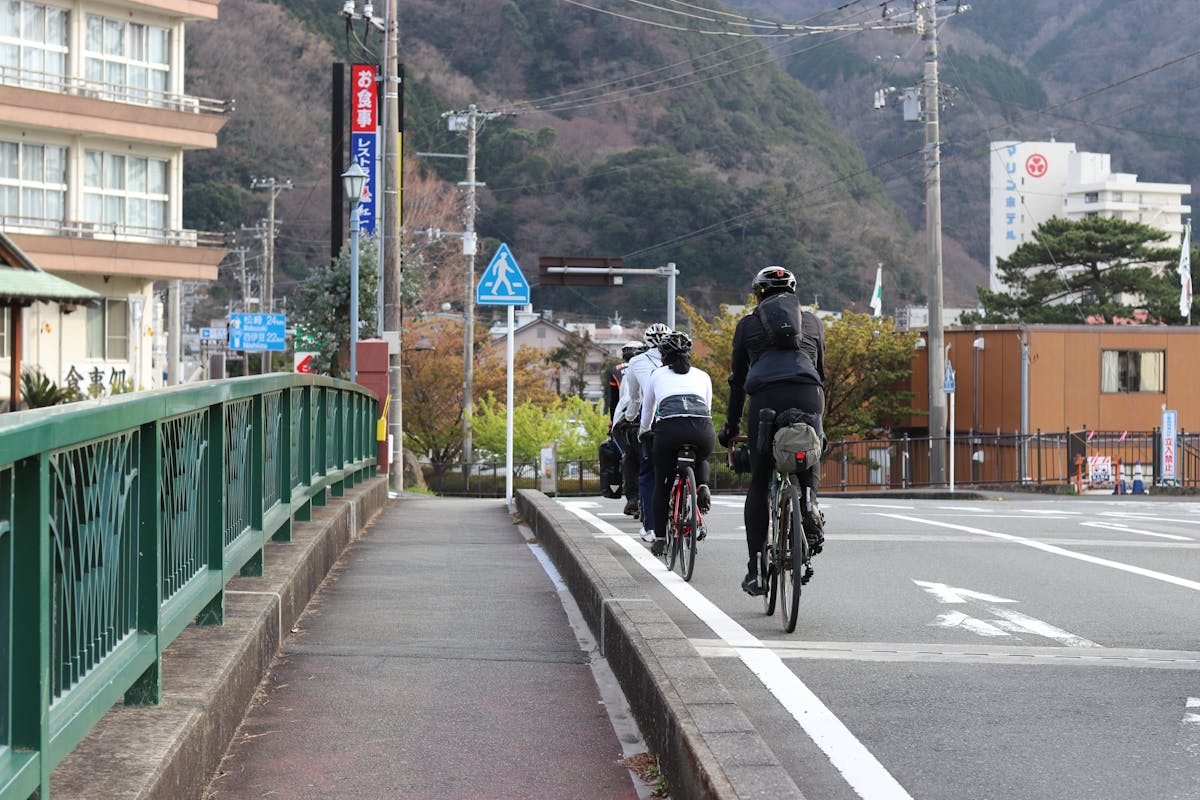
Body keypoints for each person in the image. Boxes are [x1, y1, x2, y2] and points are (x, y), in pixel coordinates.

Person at [719, 266, 826, 596]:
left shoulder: (748, 325)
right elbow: (820, 372)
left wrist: (731, 426)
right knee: (809, 452)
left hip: (766, 399)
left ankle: (756, 571)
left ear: (757, 296)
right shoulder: (813, 323)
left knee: (761, 479)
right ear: (795, 293)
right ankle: (808, 501)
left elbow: (737, 383)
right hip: (809, 394)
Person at [640, 331, 715, 556]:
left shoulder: (657, 374)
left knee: (661, 485)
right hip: (702, 430)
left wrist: (644, 432)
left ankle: (661, 539)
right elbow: (707, 409)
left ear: (663, 356)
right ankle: (701, 485)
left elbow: (648, 410)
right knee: (700, 457)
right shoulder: (703, 376)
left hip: (669, 431)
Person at [620, 323, 671, 542]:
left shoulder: (636, 363)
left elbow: (637, 399)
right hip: (693, 421)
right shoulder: (684, 362)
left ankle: (651, 527)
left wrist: (630, 420)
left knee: (648, 473)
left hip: (654, 423)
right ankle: (694, 501)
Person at [609, 340, 647, 517]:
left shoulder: (617, 370)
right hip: (651, 418)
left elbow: (615, 401)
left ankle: (633, 498)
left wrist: (613, 422)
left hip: (626, 419)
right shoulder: (654, 365)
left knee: (628, 456)